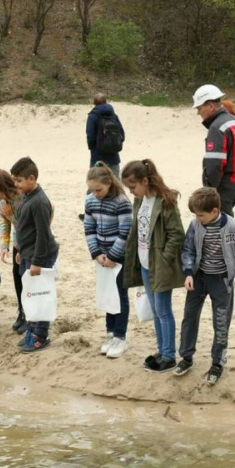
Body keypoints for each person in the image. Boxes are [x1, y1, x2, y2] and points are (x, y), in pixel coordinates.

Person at [174, 187, 235, 385]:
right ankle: (186, 357)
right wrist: (189, 273)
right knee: (189, 317)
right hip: (199, 278)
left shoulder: (234, 228)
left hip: (221, 281)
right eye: (195, 215)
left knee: (220, 322)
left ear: (215, 211)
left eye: (201, 215)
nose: (197, 218)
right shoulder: (195, 225)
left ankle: (217, 362)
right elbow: (188, 250)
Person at [121, 160, 186, 372]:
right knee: (156, 310)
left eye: (133, 187)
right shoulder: (139, 201)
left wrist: (165, 258)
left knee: (163, 311)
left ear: (145, 181)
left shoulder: (166, 201)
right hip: (144, 263)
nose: (131, 192)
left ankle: (168, 356)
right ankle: (162, 351)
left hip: (160, 265)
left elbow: (177, 234)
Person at [83, 162, 132, 358]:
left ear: (110, 183)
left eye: (99, 189)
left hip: (119, 257)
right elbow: (89, 228)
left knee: (120, 295)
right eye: (92, 190)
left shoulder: (122, 202)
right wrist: (96, 253)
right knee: (107, 294)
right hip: (101, 258)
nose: (95, 193)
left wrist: (112, 256)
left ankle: (120, 336)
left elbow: (125, 232)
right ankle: (110, 333)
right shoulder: (90, 201)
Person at [10, 156, 59, 353]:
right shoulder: (26, 197)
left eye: (19, 180)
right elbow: (24, 228)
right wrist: (21, 251)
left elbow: (42, 233)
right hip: (28, 253)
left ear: (32, 178)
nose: (16, 184)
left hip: (41, 255)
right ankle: (31, 329)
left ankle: (41, 335)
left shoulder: (39, 201)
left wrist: (37, 262)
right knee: (28, 293)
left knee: (40, 295)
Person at [192, 84, 235, 217]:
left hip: (223, 186)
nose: (198, 112)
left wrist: (208, 192)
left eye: (200, 108)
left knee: (220, 228)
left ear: (211, 106)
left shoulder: (217, 127)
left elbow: (214, 165)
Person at [0, 168, 26, 334]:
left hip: (29, 243)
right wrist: (5, 245)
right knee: (17, 278)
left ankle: (31, 315)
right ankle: (22, 312)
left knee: (27, 279)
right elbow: (4, 221)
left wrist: (22, 247)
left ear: (4, 189)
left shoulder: (21, 198)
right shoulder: (1, 202)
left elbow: (48, 210)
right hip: (18, 244)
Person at [86, 93, 125, 175]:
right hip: (114, 156)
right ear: (106, 101)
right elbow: (121, 133)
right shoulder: (113, 115)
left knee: (95, 182)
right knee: (115, 184)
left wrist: (92, 148)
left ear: (94, 103)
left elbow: (90, 135)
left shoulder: (92, 116)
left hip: (98, 157)